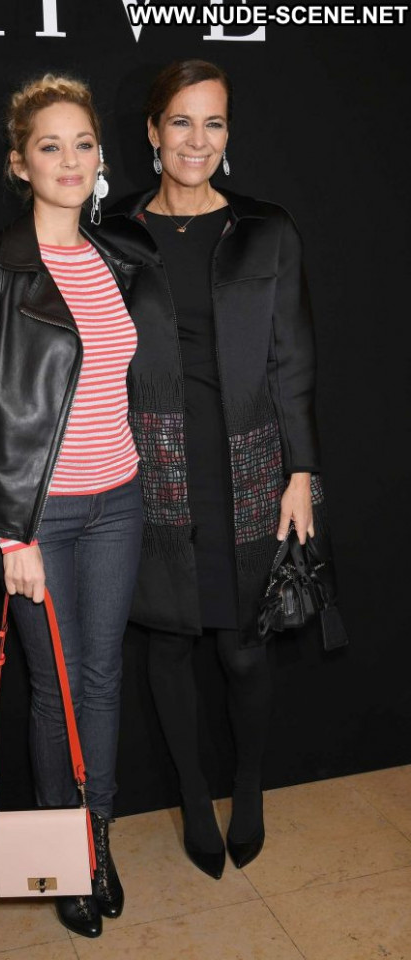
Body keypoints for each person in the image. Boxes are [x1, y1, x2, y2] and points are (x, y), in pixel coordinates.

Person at [98, 59, 331, 878]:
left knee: (242, 650)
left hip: (249, 466)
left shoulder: (268, 228)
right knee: (167, 645)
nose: (197, 140)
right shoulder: (114, 232)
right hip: (148, 467)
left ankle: (249, 787)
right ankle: (195, 802)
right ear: (152, 131)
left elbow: (293, 359)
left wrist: (301, 472)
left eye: (215, 122)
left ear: (229, 133)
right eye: (182, 121)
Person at [0, 75, 143, 937]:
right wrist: (7, 533)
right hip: (41, 518)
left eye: (83, 143)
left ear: (101, 156)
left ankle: (97, 841)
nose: (70, 160)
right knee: (53, 692)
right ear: (19, 163)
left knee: (101, 681)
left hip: (120, 501)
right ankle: (63, 858)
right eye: (49, 146)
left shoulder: (119, 257)